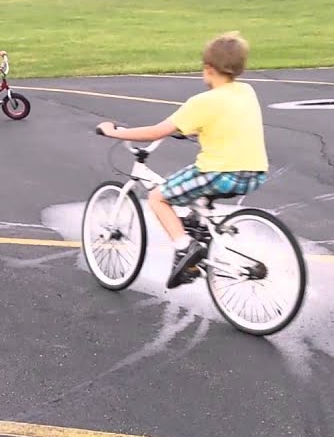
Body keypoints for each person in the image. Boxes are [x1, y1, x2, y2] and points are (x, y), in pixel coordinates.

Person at [96, 31, 269, 289]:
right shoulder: (247, 91)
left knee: (158, 197)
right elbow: (227, 122)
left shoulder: (202, 102)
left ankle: (185, 247)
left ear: (208, 68)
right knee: (195, 199)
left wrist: (114, 132)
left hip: (220, 173)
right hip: (254, 173)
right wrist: (193, 130)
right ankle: (199, 242)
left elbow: (155, 132)